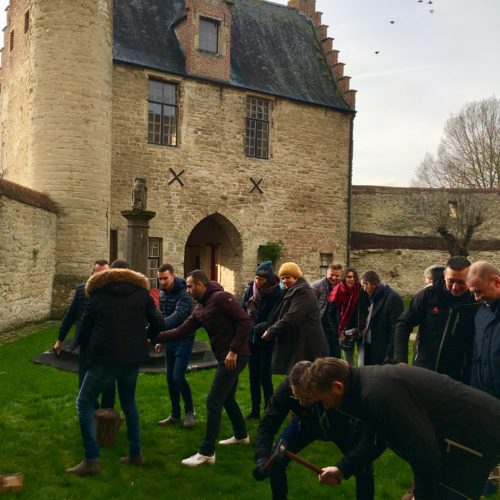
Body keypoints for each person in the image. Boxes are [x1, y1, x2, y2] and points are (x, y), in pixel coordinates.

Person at [304, 357, 500, 500]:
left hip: (474, 436)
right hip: (453, 442)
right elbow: (375, 440)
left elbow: (424, 451)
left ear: (337, 387)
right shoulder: (364, 388)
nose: (326, 407)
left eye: (323, 400)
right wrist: (342, 469)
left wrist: (421, 495)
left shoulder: (377, 394)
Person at [66, 259, 164, 475]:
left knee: (84, 402)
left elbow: (85, 326)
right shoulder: (141, 294)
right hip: (132, 358)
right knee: (129, 402)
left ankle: (91, 459)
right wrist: (147, 337)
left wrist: (84, 345)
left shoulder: (98, 294)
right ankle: (135, 454)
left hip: (104, 358)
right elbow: (159, 320)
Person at [156, 270, 250, 467]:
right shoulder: (200, 308)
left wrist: (233, 351)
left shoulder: (221, 298)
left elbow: (244, 320)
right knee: (227, 398)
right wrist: (155, 336)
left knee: (213, 401)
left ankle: (207, 452)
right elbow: (181, 330)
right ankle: (241, 435)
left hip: (235, 356)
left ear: (200, 285)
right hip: (225, 356)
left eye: (190, 286)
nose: (187, 290)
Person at [253, 361, 375, 500]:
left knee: (363, 468)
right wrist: (261, 458)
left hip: (342, 427)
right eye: (296, 397)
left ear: (314, 387)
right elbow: (268, 424)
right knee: (276, 461)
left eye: (306, 397)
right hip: (304, 425)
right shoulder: (286, 389)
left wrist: (344, 467)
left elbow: (367, 429)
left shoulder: (331, 388)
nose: (301, 403)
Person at [393, 256, 478, 382]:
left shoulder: (476, 302)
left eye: (461, 282)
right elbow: (404, 323)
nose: (455, 287)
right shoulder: (428, 295)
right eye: (451, 281)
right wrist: (400, 359)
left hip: (456, 376)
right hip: (423, 369)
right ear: (444, 275)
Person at [53, 259, 116, 409]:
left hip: (107, 344)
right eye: (98, 273)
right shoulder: (82, 290)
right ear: (92, 273)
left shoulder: (114, 293)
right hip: (86, 343)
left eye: (104, 274)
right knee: (83, 383)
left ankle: (107, 415)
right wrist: (60, 339)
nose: (101, 277)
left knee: (108, 383)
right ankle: (94, 410)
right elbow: (70, 315)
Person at [466, 261, 500, 497]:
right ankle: (489, 477)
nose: (477, 298)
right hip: (483, 392)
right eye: (473, 293)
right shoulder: (480, 313)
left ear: (496, 281)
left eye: (479, 291)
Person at [261, 262, 327, 375]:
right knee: (298, 377)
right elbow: (281, 314)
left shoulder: (302, 291)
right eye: (282, 278)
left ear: (296, 277)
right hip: (299, 340)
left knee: (304, 377)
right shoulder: (292, 290)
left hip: (306, 342)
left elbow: (292, 317)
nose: (285, 281)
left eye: (288, 277)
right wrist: (265, 326)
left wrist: (271, 331)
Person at [154, 264, 196, 428]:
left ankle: (190, 412)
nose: (163, 282)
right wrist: (160, 339)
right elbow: (162, 313)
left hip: (184, 338)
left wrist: (156, 329)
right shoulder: (163, 292)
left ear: (173, 275)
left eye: (165, 278)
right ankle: (175, 414)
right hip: (169, 338)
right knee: (170, 378)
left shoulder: (184, 293)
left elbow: (179, 316)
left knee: (178, 376)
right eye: (160, 279)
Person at [242, 261, 283, 419]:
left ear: (269, 279)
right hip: (251, 337)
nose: (258, 282)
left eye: (261, 279)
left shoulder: (277, 293)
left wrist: (263, 326)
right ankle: (255, 410)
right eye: (257, 278)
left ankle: (269, 409)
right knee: (253, 375)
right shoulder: (251, 289)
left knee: (265, 376)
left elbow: (275, 316)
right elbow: (243, 308)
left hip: (267, 338)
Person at [360, 270, 404, 365]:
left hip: (383, 351)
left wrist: (389, 355)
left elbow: (397, 329)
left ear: (369, 284)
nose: (364, 289)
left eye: (364, 285)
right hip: (371, 347)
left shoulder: (392, 298)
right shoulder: (374, 296)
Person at [328, 267, 369, 367]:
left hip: (361, 329)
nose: (351, 279)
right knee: (348, 364)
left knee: (363, 363)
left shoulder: (362, 291)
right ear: (344, 278)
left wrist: (367, 326)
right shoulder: (337, 292)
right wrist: (338, 331)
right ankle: (351, 377)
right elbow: (330, 314)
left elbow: (371, 306)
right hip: (345, 332)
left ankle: (361, 377)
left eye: (353, 277)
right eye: (349, 277)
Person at [311, 263, 343, 357]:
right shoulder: (316, 286)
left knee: (335, 355)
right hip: (321, 326)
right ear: (327, 273)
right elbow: (310, 307)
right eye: (331, 275)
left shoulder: (342, 287)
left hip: (336, 326)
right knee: (323, 355)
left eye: (337, 275)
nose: (334, 278)